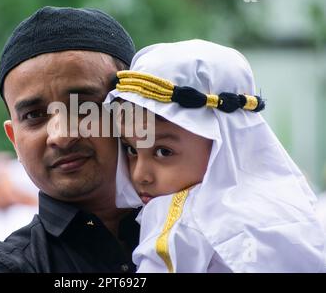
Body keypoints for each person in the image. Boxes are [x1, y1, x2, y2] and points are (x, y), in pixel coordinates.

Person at [104, 39, 326, 272]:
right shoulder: (293, 206)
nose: (140, 175)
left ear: (224, 141)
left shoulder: (179, 224)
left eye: (163, 152)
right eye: (131, 150)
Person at [0, 6, 139, 272]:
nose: (61, 136)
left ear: (133, 112)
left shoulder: (205, 238)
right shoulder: (2, 269)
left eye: (82, 107)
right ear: (13, 139)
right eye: (34, 115)